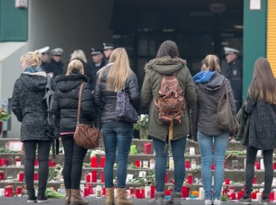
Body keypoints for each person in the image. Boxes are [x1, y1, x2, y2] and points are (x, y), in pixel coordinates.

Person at [141, 40, 196, 205]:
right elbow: (192, 97)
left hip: (158, 120)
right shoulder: (184, 70)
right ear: (175, 52)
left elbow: (144, 97)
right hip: (179, 120)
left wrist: (151, 106)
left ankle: (159, 195)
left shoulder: (151, 70)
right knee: (179, 157)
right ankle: (177, 195)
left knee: (160, 157)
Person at [94, 48, 139, 205]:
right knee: (122, 158)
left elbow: (97, 98)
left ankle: (109, 197)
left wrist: (106, 107)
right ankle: (121, 197)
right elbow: (135, 96)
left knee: (109, 157)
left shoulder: (102, 73)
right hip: (124, 121)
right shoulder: (129, 74)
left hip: (107, 121)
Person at [238, 57, 276, 204]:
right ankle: (266, 197)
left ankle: (247, 196)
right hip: (271, 128)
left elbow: (248, 108)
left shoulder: (255, 85)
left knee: (250, 161)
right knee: (269, 162)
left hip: (255, 128)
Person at [191, 55, 236, 205]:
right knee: (218, 161)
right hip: (222, 126)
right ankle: (217, 197)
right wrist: (232, 128)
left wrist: (194, 129)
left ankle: (208, 197)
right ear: (218, 65)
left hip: (203, 126)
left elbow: (194, 109)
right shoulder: (225, 82)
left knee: (205, 162)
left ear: (204, 65)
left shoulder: (197, 83)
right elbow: (232, 106)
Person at [51, 59, 97, 205]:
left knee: (68, 161)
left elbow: (54, 110)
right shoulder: (84, 86)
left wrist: (60, 124)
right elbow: (88, 109)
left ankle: (68, 196)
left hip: (65, 129)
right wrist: (94, 117)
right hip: (80, 128)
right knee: (77, 161)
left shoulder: (59, 87)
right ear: (81, 70)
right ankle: (76, 197)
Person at [11, 50, 52, 203]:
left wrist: (24, 117)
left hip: (28, 122)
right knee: (43, 161)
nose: (21, 65)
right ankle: (41, 195)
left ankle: (30, 196)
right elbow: (54, 102)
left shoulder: (20, 82)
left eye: (22, 62)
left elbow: (14, 105)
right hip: (45, 123)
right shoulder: (48, 80)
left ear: (28, 63)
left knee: (28, 160)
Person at [224, 47, 242, 112]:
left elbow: (236, 85)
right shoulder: (231, 66)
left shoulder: (235, 67)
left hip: (234, 98)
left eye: (227, 55)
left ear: (233, 55)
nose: (226, 57)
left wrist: (235, 99)